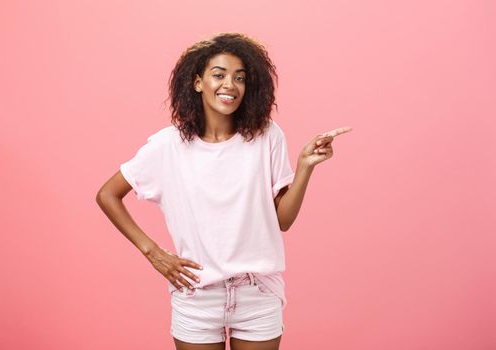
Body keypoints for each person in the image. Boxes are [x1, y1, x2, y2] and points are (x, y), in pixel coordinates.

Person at [96, 32, 352, 350]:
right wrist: (154, 253)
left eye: (239, 78)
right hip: (197, 295)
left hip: (257, 293)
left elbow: (282, 221)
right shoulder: (167, 146)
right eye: (219, 75)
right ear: (198, 82)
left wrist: (305, 167)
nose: (229, 85)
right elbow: (107, 194)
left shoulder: (267, 136)